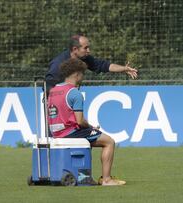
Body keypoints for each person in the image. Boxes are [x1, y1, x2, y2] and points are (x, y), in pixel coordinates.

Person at [47, 58, 126, 186]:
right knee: (109, 142)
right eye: (82, 74)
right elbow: (79, 121)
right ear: (77, 74)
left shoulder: (53, 91)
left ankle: (84, 178)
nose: (83, 77)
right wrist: (91, 126)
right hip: (70, 132)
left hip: (55, 133)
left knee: (88, 143)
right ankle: (106, 179)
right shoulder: (74, 93)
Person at [45, 34, 138, 92]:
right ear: (75, 49)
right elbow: (48, 87)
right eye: (85, 48)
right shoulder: (58, 64)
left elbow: (104, 65)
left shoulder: (84, 58)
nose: (88, 51)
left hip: (69, 100)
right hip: (56, 104)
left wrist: (124, 69)